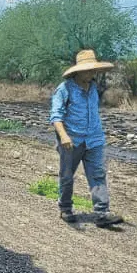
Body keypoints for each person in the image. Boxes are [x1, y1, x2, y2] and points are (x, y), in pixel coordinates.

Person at [48, 50, 123, 227]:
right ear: (78, 71)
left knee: (98, 174)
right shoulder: (64, 89)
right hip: (71, 140)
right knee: (67, 175)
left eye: (93, 70)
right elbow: (56, 116)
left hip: (94, 139)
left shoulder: (94, 88)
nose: (91, 73)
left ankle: (102, 213)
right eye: (88, 70)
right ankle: (65, 208)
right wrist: (64, 136)